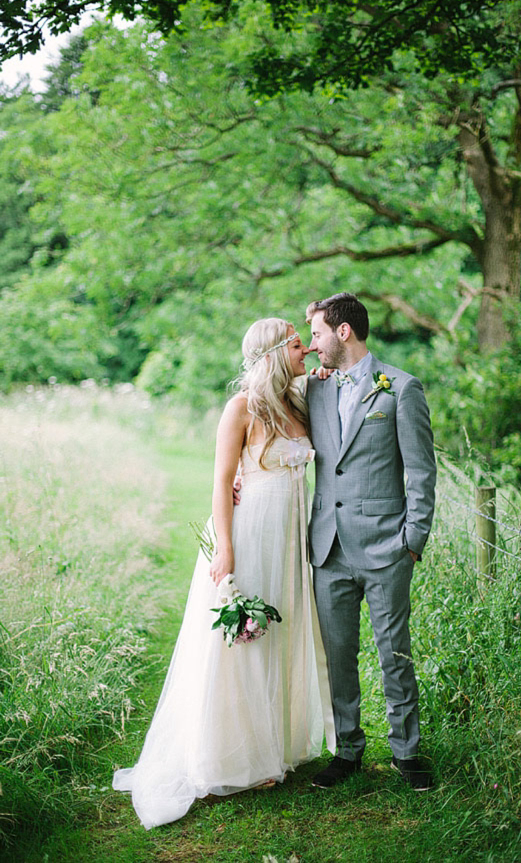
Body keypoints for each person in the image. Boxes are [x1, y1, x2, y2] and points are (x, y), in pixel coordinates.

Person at [113, 318, 335, 829]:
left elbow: (325, 386)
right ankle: (233, 757)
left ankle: (273, 744)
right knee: (242, 642)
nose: (308, 352)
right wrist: (226, 547)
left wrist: (324, 377)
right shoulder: (241, 408)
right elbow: (220, 481)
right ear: (277, 353)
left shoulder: (298, 402)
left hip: (288, 539)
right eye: (300, 346)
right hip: (250, 532)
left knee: (278, 636)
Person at [306, 292, 437, 791]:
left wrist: (413, 540)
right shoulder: (313, 390)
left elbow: (422, 473)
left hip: (387, 547)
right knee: (338, 656)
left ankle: (407, 750)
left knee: (393, 654)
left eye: (317, 333)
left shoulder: (400, 389)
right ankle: (348, 749)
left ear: (344, 332)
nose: (313, 344)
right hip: (328, 550)